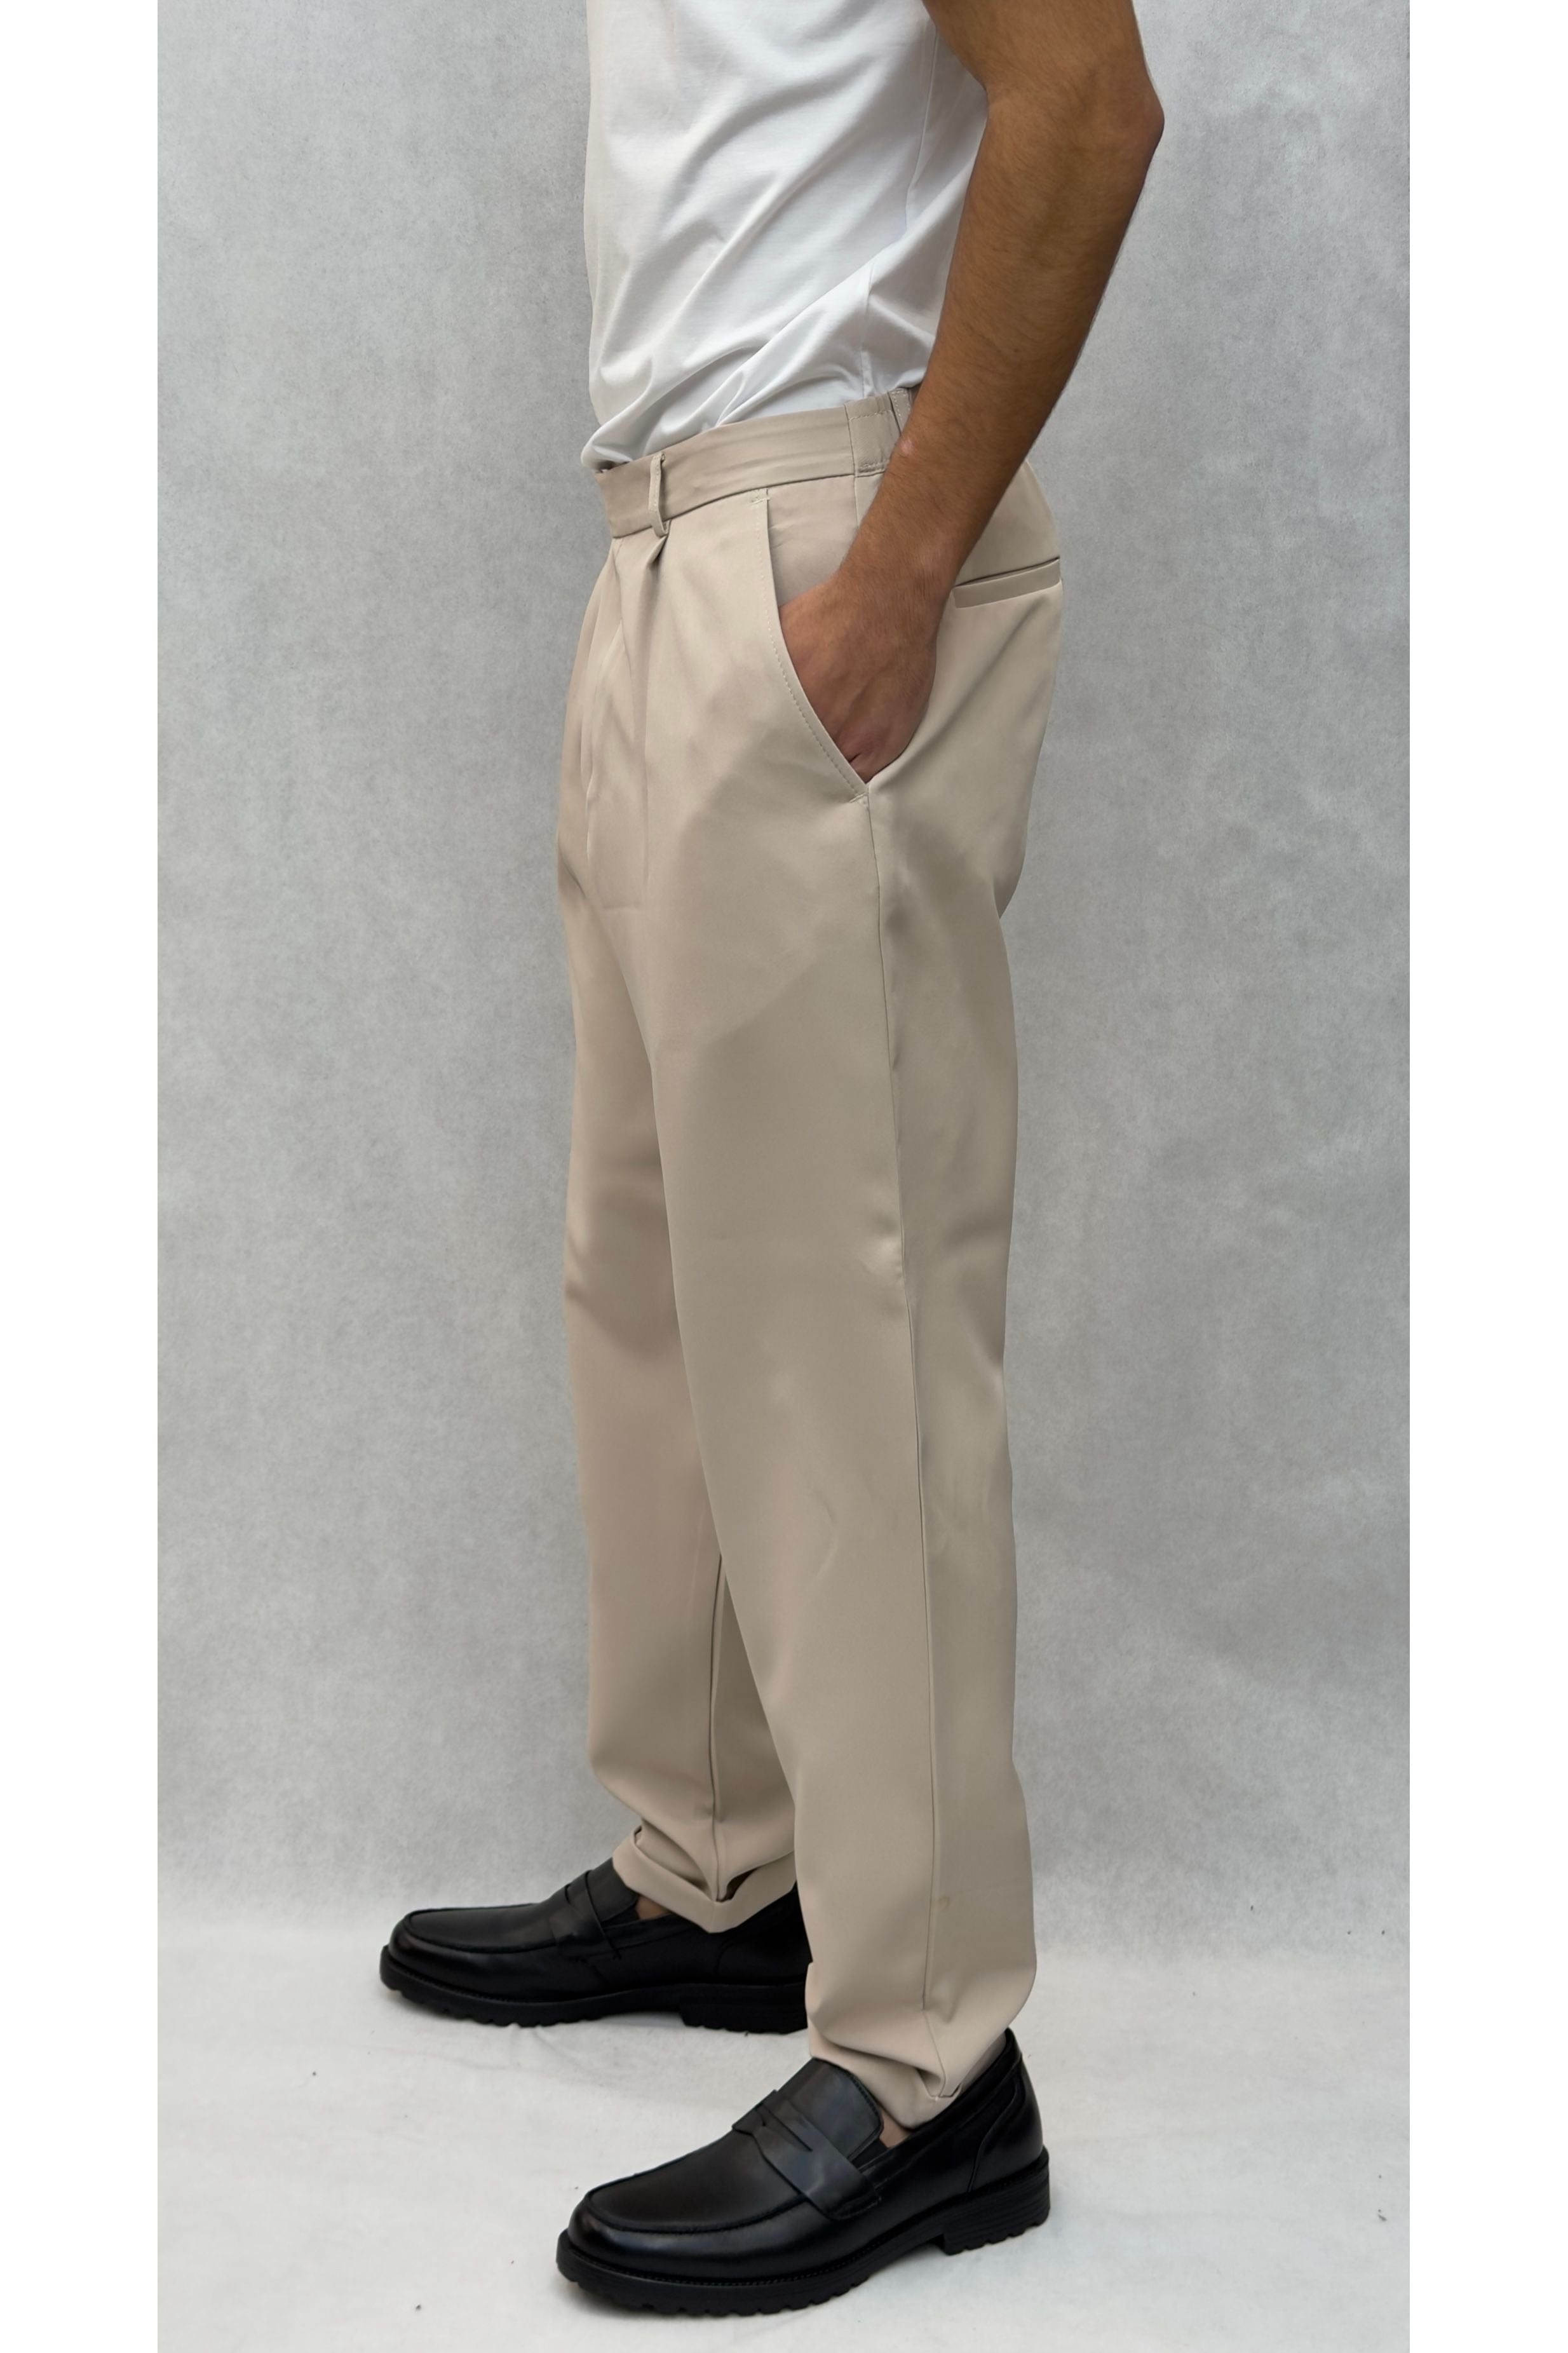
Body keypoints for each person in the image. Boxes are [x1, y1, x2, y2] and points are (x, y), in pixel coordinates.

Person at [379, 0, 1162, 2314]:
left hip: (821, 540)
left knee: (845, 1321)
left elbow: (1087, 106)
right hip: (663, 544)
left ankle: (929, 2062)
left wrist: (894, 569)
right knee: (648, 1274)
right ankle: (724, 1867)